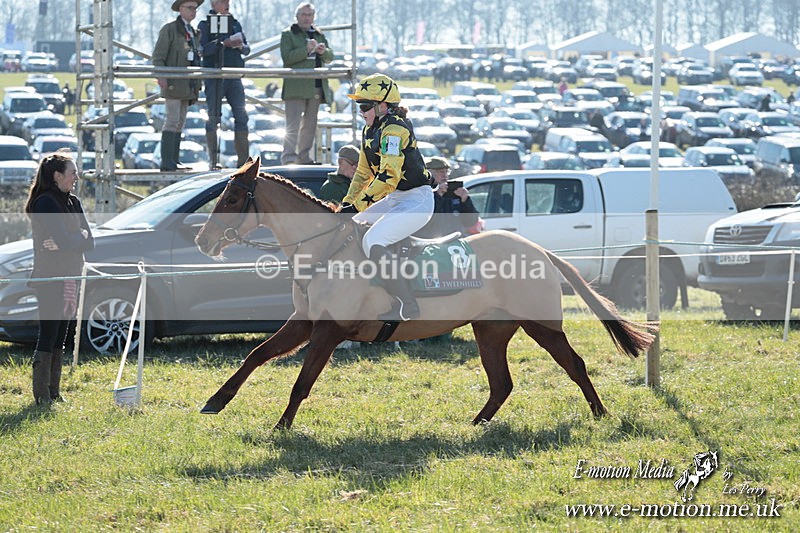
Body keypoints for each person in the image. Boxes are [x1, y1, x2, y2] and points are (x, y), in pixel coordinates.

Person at [338, 74, 434, 321]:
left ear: (383, 106)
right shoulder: (369, 130)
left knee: (373, 240)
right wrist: (348, 204)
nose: (361, 112)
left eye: (365, 106)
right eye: (359, 106)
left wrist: (358, 205)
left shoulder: (394, 130)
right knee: (351, 225)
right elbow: (362, 173)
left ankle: (406, 304)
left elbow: (388, 176)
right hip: (397, 199)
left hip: (417, 201)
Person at [25, 153, 94, 405]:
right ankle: (41, 395)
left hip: (71, 275)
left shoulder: (73, 202)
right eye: (72, 172)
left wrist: (74, 239)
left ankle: (54, 391)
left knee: (63, 335)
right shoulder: (45, 202)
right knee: (49, 333)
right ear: (57, 176)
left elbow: (91, 243)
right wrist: (78, 236)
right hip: (49, 277)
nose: (77, 177)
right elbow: (72, 240)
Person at [279, 2, 334, 164]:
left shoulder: (319, 34)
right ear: (296, 17)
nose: (306, 18)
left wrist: (324, 52)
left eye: (309, 15)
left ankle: (304, 157)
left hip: (315, 87)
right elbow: (287, 58)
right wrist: (306, 50)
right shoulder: (288, 34)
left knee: (310, 126)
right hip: (296, 87)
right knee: (292, 125)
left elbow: (330, 57)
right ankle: (288, 157)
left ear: (313, 17)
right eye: (303, 14)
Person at [198, 0, 250, 169]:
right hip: (214, 76)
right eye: (222, 1)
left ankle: (243, 162)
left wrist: (240, 46)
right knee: (213, 116)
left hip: (234, 76)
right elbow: (203, 50)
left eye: (228, 1)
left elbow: (247, 49)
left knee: (242, 116)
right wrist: (223, 44)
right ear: (214, 4)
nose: (226, 4)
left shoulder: (235, 23)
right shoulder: (205, 24)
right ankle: (213, 160)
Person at [152, 0, 203, 171]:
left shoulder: (194, 32)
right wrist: (162, 76)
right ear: (180, 9)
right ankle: (167, 162)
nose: (193, 11)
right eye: (190, 8)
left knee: (180, 122)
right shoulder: (170, 29)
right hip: (173, 83)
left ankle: (174, 160)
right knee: (172, 120)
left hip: (187, 85)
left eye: (195, 8)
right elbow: (158, 55)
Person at [417, 156, 480, 238]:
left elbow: (470, 222)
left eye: (447, 172)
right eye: (441, 172)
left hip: (455, 242)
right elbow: (424, 222)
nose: (445, 176)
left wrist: (466, 201)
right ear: (429, 173)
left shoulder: (453, 192)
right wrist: (437, 196)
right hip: (431, 242)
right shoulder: (421, 193)